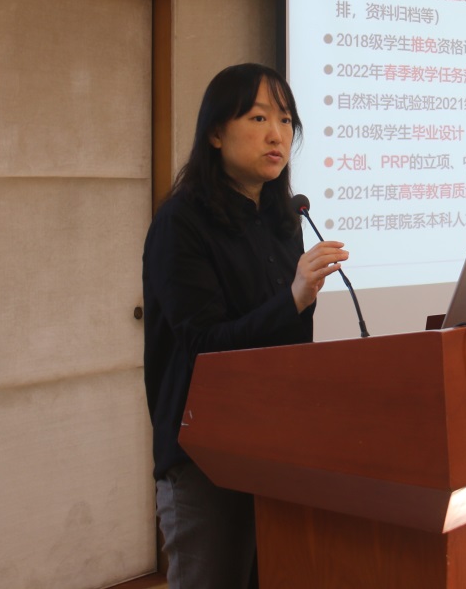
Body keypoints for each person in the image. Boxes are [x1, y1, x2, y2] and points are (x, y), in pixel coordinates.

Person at [142, 63, 348, 588]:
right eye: (258, 118)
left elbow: (287, 342)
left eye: (285, 120)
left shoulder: (283, 219)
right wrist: (293, 298)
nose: (277, 134)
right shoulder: (181, 223)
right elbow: (205, 346)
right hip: (205, 451)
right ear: (216, 133)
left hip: (276, 441)